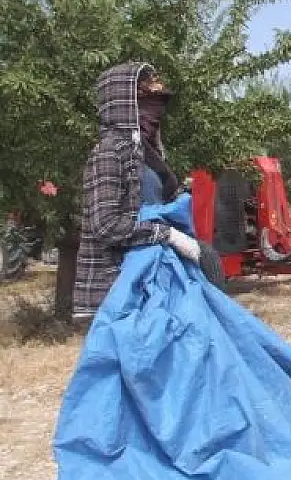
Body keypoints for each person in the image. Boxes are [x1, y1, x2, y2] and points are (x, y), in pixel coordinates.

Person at [74, 63, 200, 324]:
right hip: (118, 289)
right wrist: (167, 235)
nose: (156, 114)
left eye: (159, 104)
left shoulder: (147, 156)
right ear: (124, 106)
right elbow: (106, 226)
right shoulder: (110, 152)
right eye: (147, 103)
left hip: (150, 279)